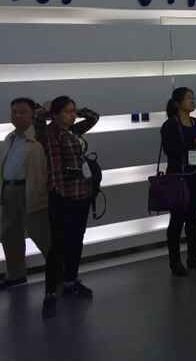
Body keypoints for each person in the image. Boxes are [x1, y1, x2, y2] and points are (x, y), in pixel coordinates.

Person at [35, 97, 99, 319]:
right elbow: (54, 170)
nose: (72, 115)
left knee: (76, 240)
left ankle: (71, 281)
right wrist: (62, 197)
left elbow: (93, 117)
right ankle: (51, 292)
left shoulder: (72, 131)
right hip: (64, 198)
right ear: (55, 114)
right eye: (67, 111)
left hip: (82, 193)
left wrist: (76, 110)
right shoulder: (51, 134)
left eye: (73, 111)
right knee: (58, 245)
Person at [0, 98, 50, 290]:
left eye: (23, 112)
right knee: (9, 235)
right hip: (9, 191)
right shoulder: (9, 138)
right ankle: (16, 275)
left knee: (42, 235)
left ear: (32, 114)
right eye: (14, 112)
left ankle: (61, 275)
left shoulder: (40, 138)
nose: (17, 115)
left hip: (31, 191)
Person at [160, 88, 196, 276]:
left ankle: (192, 258)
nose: (193, 101)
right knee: (177, 219)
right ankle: (175, 262)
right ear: (178, 103)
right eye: (189, 98)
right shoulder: (170, 125)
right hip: (179, 177)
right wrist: (192, 143)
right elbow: (170, 150)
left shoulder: (195, 121)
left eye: (193, 98)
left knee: (194, 218)